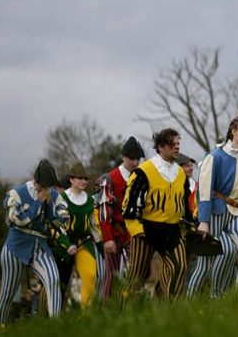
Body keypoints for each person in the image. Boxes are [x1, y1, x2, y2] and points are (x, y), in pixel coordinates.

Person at [187, 109, 238, 297]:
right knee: (206, 263)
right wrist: (204, 221)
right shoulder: (214, 157)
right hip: (215, 212)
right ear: (233, 131)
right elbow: (205, 191)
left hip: (236, 214)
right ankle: (190, 300)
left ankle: (234, 299)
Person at [0, 159, 73, 326]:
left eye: (49, 187)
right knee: (7, 294)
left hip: (40, 246)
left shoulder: (53, 195)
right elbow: (17, 220)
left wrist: (52, 210)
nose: (46, 190)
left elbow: (63, 218)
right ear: (36, 181)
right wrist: (38, 203)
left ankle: (56, 326)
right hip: (16, 246)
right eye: (44, 186)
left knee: (53, 279)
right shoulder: (18, 193)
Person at [121, 129, 193, 301]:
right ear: (160, 147)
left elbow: (185, 205)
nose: (177, 147)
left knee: (179, 267)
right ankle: (123, 312)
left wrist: (190, 225)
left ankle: (168, 309)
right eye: (172, 144)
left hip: (172, 231)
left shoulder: (180, 173)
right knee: (136, 277)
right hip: (146, 229)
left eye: (178, 143)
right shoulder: (144, 172)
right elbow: (129, 207)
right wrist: (137, 230)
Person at [95, 136, 144, 295]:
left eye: (137, 159)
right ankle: (107, 307)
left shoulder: (141, 178)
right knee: (112, 276)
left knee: (137, 271)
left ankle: (132, 305)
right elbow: (104, 211)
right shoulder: (109, 179)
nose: (135, 163)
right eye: (132, 159)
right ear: (123, 157)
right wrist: (107, 238)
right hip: (114, 232)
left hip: (133, 233)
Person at [60, 162, 105, 307]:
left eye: (86, 179)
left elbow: (93, 227)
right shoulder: (62, 198)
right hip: (64, 244)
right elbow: (57, 226)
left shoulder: (90, 201)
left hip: (84, 243)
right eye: (80, 178)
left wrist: (101, 247)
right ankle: (53, 315)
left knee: (90, 276)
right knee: (60, 283)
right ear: (71, 179)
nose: (84, 181)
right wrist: (66, 244)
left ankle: (87, 314)